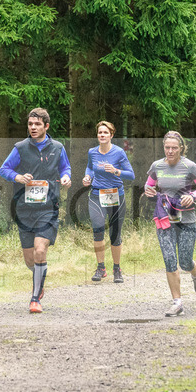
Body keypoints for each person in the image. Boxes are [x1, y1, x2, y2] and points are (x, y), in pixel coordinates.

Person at [0, 107, 71, 314]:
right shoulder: (20, 147)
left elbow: (65, 168)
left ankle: (34, 298)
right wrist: (18, 177)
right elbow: (4, 169)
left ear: (46, 126)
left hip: (48, 207)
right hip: (24, 208)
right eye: (30, 124)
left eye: (37, 124)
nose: (33, 127)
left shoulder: (57, 147)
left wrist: (66, 177)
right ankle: (40, 280)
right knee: (30, 259)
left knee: (40, 250)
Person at [144, 131, 196, 317]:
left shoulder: (190, 166)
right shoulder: (157, 166)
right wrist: (148, 191)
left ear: (181, 148)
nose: (170, 151)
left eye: (174, 148)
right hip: (164, 218)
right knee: (169, 259)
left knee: (185, 261)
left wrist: (193, 195)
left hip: (186, 219)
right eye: (167, 147)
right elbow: (149, 185)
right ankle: (177, 302)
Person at [82, 121, 134, 283]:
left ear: (111, 135)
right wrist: (88, 176)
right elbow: (90, 167)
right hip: (97, 195)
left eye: (105, 133)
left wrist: (116, 171)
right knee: (97, 231)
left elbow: (131, 175)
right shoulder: (92, 152)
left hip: (115, 195)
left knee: (115, 234)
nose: (102, 135)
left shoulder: (118, 153)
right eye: (100, 133)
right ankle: (100, 268)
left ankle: (117, 269)